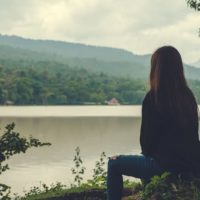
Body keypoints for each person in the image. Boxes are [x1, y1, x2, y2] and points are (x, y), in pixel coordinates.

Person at [106, 46, 200, 200]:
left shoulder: (153, 98)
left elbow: (146, 143)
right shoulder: (188, 97)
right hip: (192, 163)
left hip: (165, 165)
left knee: (114, 164)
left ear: (156, 69)